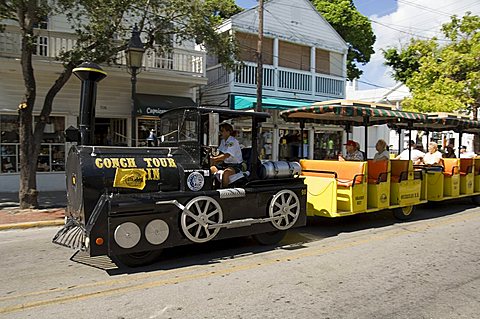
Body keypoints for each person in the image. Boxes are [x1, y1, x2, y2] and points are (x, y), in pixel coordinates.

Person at [210, 122, 243, 187]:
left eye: (222, 131)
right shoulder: (223, 141)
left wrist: (214, 159)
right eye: (220, 131)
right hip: (225, 164)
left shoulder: (232, 141)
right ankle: (214, 188)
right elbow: (220, 153)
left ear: (228, 132)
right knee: (211, 168)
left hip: (235, 166)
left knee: (226, 173)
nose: (220, 133)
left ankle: (224, 191)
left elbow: (227, 155)